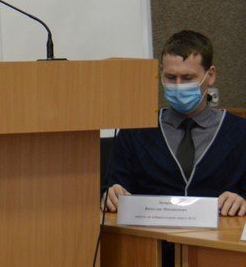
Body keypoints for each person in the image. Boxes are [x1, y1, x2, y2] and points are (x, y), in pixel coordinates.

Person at [104, 30, 246, 216]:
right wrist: (111, 193)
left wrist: (242, 199)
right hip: (151, 232)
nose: (178, 86)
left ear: (210, 75)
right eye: (170, 77)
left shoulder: (240, 132)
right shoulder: (136, 131)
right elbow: (112, 187)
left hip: (221, 231)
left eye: (188, 78)